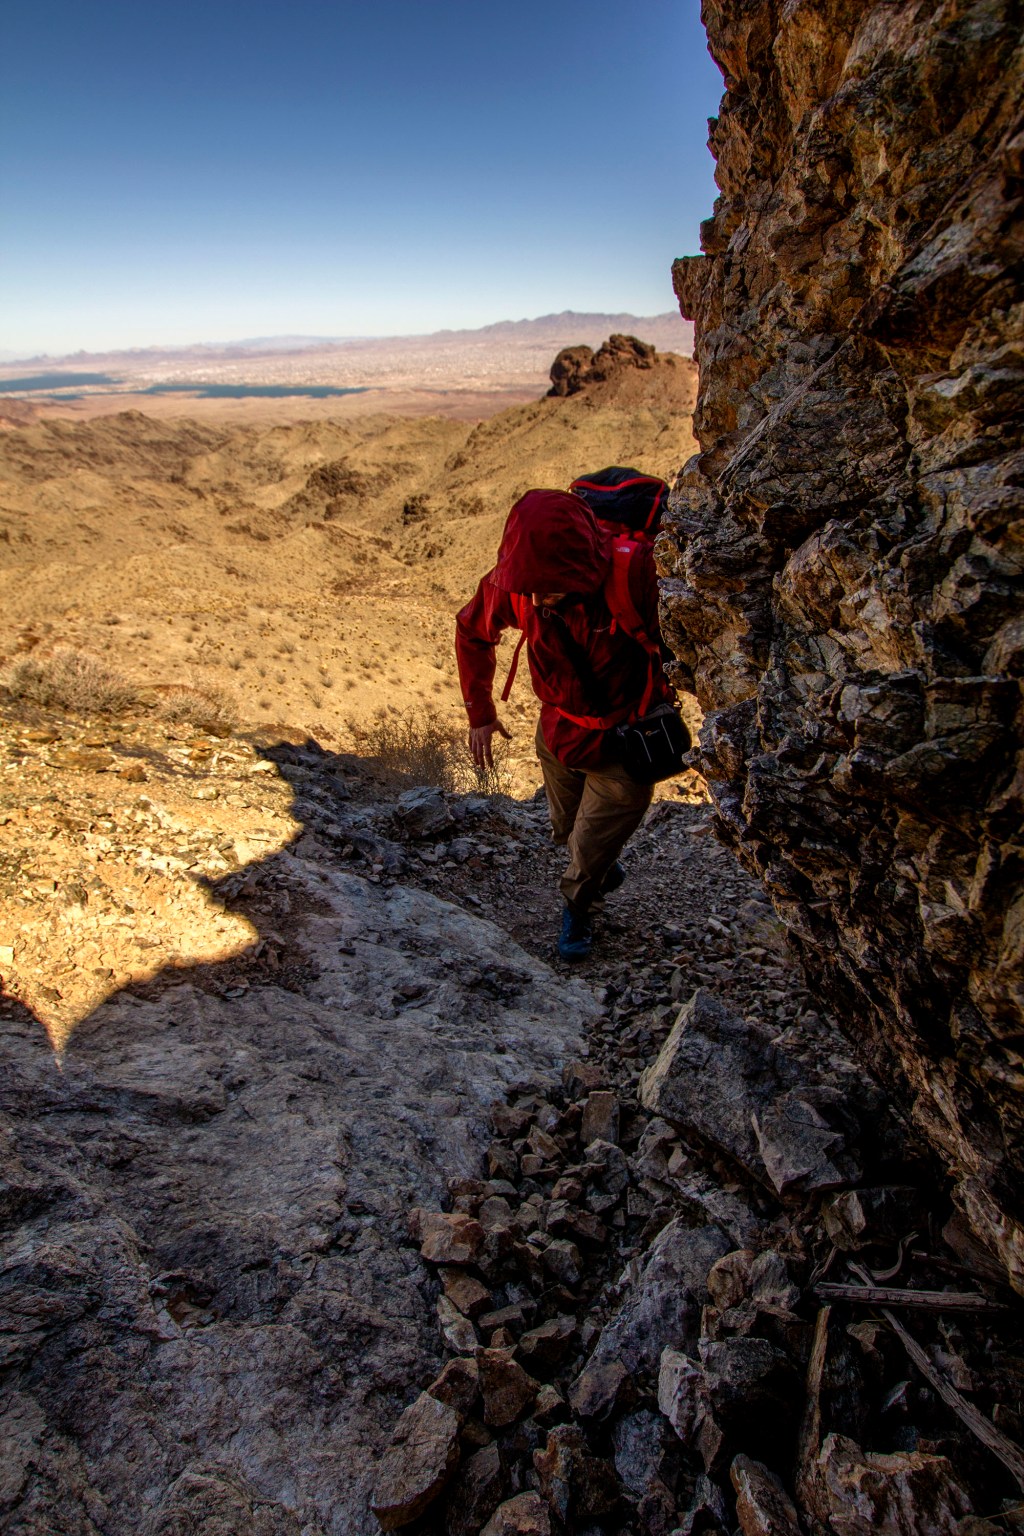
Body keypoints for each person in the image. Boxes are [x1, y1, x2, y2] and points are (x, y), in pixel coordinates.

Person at [455, 486, 674, 961]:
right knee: (565, 830)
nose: (536, 598)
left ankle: (577, 905)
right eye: (529, 587)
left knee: (589, 847)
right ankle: (594, 864)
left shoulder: (634, 575)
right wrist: (481, 714)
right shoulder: (516, 585)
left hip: (624, 744)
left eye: (549, 587)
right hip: (557, 735)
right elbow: (473, 630)